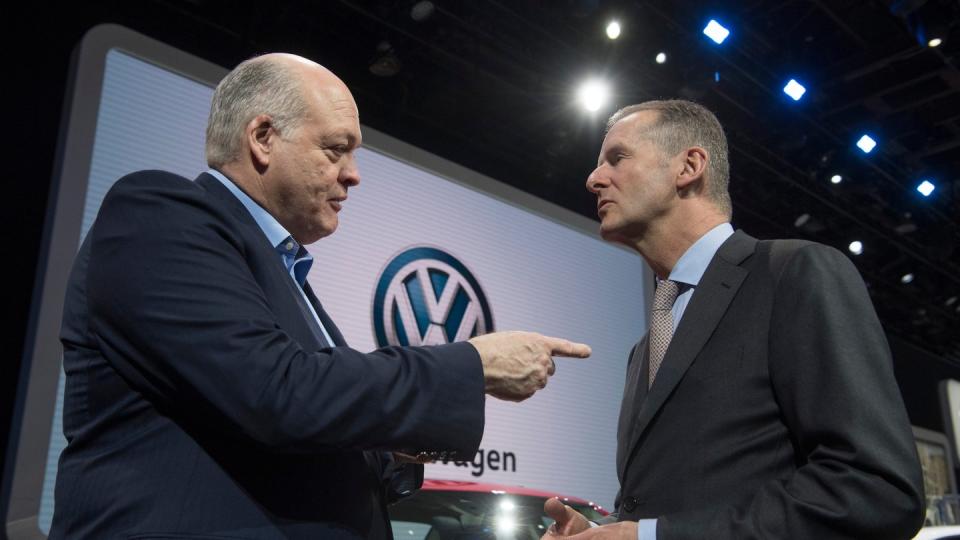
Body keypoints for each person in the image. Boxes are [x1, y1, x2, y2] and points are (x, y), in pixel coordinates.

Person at [50, 53, 590, 539]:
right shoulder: (159, 214)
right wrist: (472, 362)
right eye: (336, 149)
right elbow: (276, 392)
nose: (353, 175)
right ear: (262, 137)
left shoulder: (285, 273)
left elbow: (286, 417)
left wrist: (392, 445)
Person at [543, 100, 924, 539]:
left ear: (689, 166)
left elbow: (876, 489)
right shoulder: (644, 349)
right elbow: (676, 502)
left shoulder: (794, 274)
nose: (594, 180)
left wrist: (652, 538)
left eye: (617, 158)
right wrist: (601, 532)